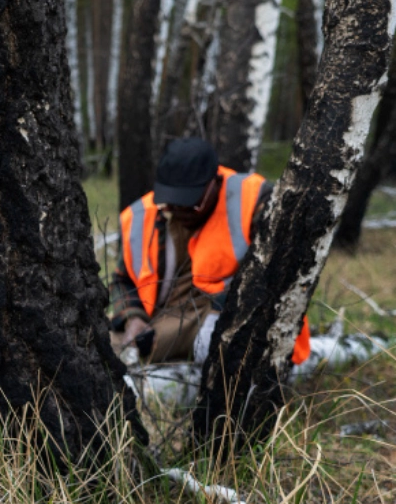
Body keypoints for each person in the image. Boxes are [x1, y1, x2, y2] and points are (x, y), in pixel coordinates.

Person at [109, 137, 310, 365]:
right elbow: (121, 279)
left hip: (227, 312)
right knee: (103, 349)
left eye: (190, 203)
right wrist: (132, 318)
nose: (179, 211)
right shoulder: (139, 218)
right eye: (170, 204)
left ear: (215, 182)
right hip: (157, 318)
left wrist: (222, 312)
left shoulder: (254, 199)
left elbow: (277, 272)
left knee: (139, 359)